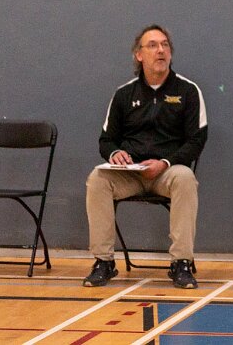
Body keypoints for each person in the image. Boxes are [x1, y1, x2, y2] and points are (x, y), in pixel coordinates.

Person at [83, 24, 208, 289]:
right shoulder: (123, 94)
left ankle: (181, 263)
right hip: (131, 173)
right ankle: (103, 261)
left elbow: (197, 140)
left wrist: (165, 163)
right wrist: (115, 153)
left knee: (186, 178)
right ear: (139, 55)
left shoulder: (188, 91)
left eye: (165, 45)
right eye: (152, 45)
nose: (160, 50)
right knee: (97, 178)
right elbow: (106, 140)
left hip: (168, 171)